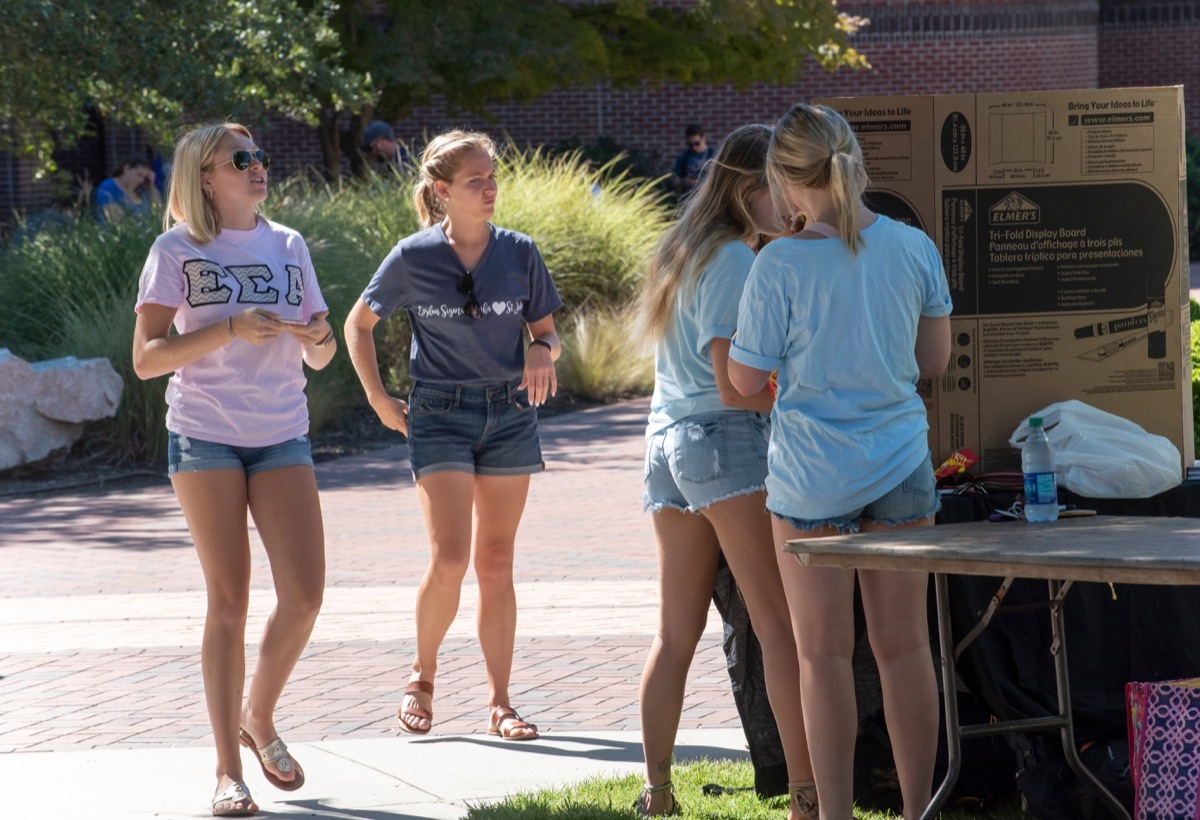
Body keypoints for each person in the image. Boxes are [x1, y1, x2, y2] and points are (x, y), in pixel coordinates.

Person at [728, 102, 953, 820]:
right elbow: (934, 361)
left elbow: (740, 380)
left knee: (821, 657)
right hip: (900, 467)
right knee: (905, 648)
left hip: (809, 478)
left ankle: (833, 816)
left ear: (786, 181)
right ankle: (919, 810)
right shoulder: (914, 247)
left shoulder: (778, 263)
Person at [132, 123, 337, 817]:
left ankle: (260, 714)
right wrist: (225, 329)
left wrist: (317, 338)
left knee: (306, 596)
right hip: (205, 435)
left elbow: (323, 348)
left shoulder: (289, 245)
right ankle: (228, 772)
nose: (257, 168)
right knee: (230, 601)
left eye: (260, 158)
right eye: (240, 160)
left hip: (281, 432)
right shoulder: (174, 250)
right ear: (206, 178)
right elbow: (147, 358)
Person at [344, 129, 562, 745]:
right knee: (451, 557)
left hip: (509, 412)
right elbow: (357, 325)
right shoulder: (412, 257)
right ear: (442, 191)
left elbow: (545, 330)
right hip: (437, 413)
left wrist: (542, 351)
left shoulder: (520, 253)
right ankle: (422, 676)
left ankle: (500, 702)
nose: (490, 188)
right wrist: (379, 398)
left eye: (493, 177)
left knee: (496, 561)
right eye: (476, 181)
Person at [634, 123, 817, 819]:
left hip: (667, 449)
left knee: (674, 634)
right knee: (780, 625)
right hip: (724, 440)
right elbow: (736, 384)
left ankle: (657, 793)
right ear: (750, 190)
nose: (792, 202)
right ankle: (807, 795)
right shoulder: (737, 260)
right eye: (782, 187)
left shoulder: (684, 249)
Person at [96, 156, 161, 222]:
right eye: (139, 175)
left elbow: (158, 211)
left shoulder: (141, 191)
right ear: (126, 169)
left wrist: (151, 185)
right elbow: (116, 219)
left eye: (144, 178)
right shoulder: (109, 186)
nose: (141, 180)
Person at [670, 124, 716, 195]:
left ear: (704, 138)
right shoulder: (684, 157)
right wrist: (685, 182)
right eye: (690, 145)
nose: (694, 147)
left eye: (697, 143)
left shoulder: (713, 155)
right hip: (689, 198)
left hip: (709, 197)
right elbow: (675, 181)